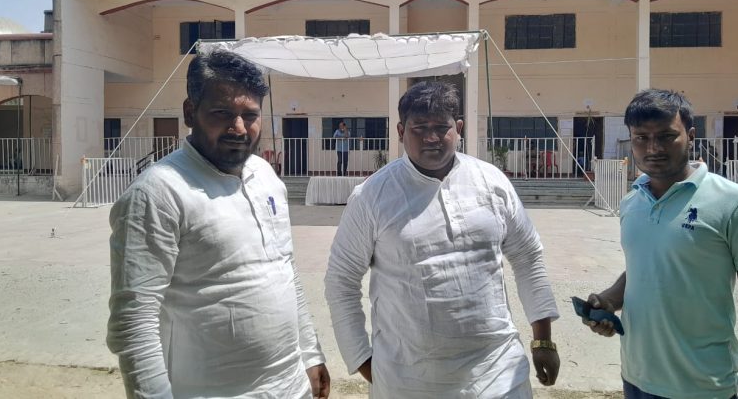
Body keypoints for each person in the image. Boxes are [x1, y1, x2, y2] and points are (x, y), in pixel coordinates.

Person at [107, 50, 330, 399]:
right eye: (222, 113)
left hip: (291, 387)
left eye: (250, 115)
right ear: (189, 112)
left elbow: (285, 269)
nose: (238, 128)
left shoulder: (266, 176)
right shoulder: (157, 193)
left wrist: (311, 354)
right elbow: (134, 323)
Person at [325, 81, 560, 398]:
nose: (431, 137)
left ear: (458, 128)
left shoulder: (492, 182)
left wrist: (543, 340)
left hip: (499, 376)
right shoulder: (371, 196)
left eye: (441, 127)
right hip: (408, 383)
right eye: (419, 128)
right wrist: (363, 361)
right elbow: (341, 280)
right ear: (400, 131)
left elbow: (528, 256)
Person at [583, 89, 738, 399]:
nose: (653, 148)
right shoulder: (632, 202)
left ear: (691, 136)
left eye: (666, 136)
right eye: (641, 138)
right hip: (635, 378)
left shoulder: (735, 203)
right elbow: (647, 265)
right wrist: (609, 299)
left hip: (703, 387)